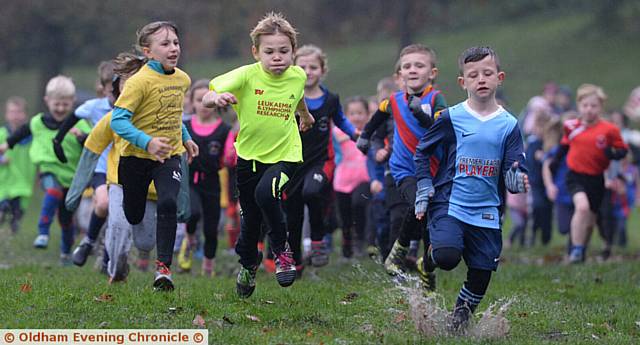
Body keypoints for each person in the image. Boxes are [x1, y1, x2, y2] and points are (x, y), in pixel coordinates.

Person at [414, 46, 529, 332]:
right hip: (450, 203)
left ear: (499, 78)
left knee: (481, 273)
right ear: (462, 82)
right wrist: (424, 183)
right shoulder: (450, 117)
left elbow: (516, 164)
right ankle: (428, 258)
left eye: (488, 73)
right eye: (473, 75)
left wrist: (516, 179)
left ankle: (460, 319)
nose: (481, 79)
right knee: (447, 257)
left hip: (488, 210)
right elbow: (422, 152)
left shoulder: (509, 124)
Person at [202, 12, 314, 298]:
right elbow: (207, 94)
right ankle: (248, 266)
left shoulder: (298, 74)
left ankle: (281, 249)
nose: (277, 57)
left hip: (286, 154)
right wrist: (216, 99)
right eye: (269, 52)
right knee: (250, 222)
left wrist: (305, 115)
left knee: (267, 194)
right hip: (249, 158)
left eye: (284, 51)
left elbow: (298, 95)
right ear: (256, 52)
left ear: (293, 51)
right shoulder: (245, 75)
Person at [110, 21, 199, 291]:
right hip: (135, 158)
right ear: (148, 51)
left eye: (175, 42)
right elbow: (118, 121)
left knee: (169, 202)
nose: (173, 48)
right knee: (135, 215)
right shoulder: (139, 82)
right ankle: (132, 215)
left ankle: (163, 270)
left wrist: (185, 138)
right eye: (165, 44)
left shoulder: (183, 79)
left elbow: (173, 114)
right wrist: (147, 142)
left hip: (168, 156)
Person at [356, 44, 447, 286]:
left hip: (433, 170)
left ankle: (427, 268)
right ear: (400, 74)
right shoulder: (393, 100)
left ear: (432, 73)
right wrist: (365, 137)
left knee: (429, 222)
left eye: (419, 65)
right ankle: (400, 249)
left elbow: (442, 130)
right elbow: (376, 118)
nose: (413, 70)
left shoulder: (436, 99)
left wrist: (421, 116)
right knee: (419, 202)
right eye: (407, 66)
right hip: (404, 168)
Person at [0, 76, 91, 265]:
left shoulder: (78, 123)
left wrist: (81, 137)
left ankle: (65, 254)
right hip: (48, 170)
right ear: (47, 101)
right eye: (56, 104)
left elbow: (92, 145)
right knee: (52, 190)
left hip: (72, 179)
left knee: (66, 221)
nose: (60, 109)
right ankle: (42, 232)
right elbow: (20, 133)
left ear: (72, 102)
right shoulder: (38, 122)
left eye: (65, 104)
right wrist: (5, 145)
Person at [285, 44, 357, 269]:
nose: (307, 71)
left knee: (312, 192)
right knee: (293, 214)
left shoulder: (331, 99)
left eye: (313, 67)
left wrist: (355, 134)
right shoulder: (287, 97)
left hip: (321, 162)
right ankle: (295, 261)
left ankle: (318, 239)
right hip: (292, 163)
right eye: (302, 66)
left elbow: (342, 120)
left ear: (323, 70)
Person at [548, 84, 628, 263]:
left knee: (590, 221)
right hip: (575, 175)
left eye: (594, 106)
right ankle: (575, 250)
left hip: (596, 178)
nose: (589, 110)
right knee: (581, 207)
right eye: (585, 105)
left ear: (600, 107)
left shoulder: (609, 130)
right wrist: (553, 165)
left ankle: (581, 250)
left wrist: (612, 154)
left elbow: (622, 151)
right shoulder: (571, 126)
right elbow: (564, 146)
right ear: (579, 106)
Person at [53, 61, 116, 267]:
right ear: (103, 88)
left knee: (117, 216)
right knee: (104, 204)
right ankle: (88, 241)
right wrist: (58, 141)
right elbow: (73, 117)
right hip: (100, 167)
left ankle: (108, 257)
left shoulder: (133, 108)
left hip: (124, 169)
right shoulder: (94, 106)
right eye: (111, 91)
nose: (115, 95)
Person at [177, 79, 231, 277]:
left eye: (206, 99)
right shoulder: (184, 125)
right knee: (193, 212)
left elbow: (227, 157)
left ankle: (208, 266)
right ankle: (189, 238)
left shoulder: (223, 130)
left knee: (211, 228)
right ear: (190, 102)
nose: (203, 105)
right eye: (198, 100)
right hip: (189, 180)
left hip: (212, 183)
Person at [333, 97, 370, 259]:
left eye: (360, 113)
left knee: (359, 205)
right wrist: (351, 135)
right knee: (345, 218)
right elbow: (333, 141)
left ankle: (360, 241)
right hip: (342, 181)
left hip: (363, 179)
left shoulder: (371, 131)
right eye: (352, 113)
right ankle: (346, 248)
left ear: (368, 115)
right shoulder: (339, 131)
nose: (356, 117)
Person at [0, 97, 36, 233]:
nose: (15, 115)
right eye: (12, 112)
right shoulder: (2, 134)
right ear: (6, 114)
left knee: (17, 214)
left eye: (19, 112)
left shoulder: (32, 136)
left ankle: (12, 236)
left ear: (25, 115)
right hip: (4, 182)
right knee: (2, 208)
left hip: (24, 182)